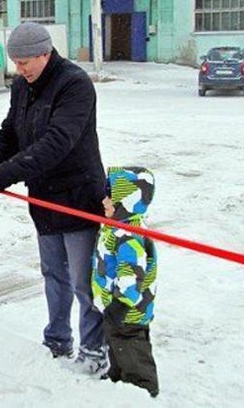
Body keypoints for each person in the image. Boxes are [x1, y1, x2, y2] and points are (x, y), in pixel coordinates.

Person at [0, 22, 108, 373]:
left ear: (45, 53)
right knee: (53, 274)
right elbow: (9, 132)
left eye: (26, 62)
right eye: (16, 63)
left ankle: (94, 351)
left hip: (78, 198)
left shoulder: (74, 84)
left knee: (84, 282)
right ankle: (57, 339)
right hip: (44, 199)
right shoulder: (23, 87)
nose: (20, 69)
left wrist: (2, 177)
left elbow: (56, 143)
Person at [92, 166, 159, 397]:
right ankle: (118, 380)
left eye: (110, 196)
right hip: (116, 311)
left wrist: (120, 305)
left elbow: (132, 274)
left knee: (132, 352)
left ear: (126, 202)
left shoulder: (129, 235)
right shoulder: (117, 227)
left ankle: (144, 391)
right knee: (117, 348)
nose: (104, 201)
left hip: (128, 313)